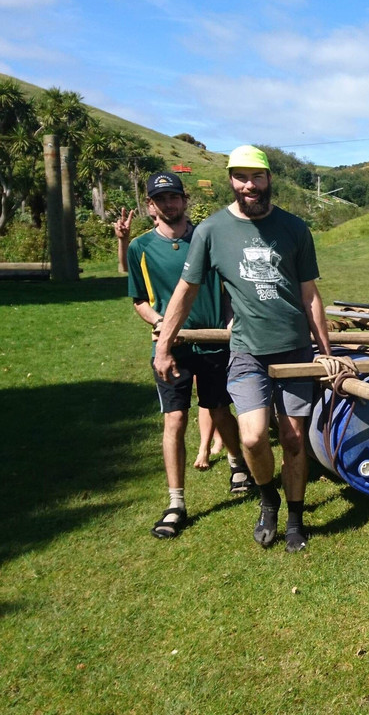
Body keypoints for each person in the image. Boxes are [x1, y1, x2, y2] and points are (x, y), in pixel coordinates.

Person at [154, 145, 333, 553]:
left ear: (269, 179)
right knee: (252, 439)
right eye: (241, 177)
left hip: (294, 351)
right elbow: (186, 291)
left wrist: (325, 350)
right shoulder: (212, 231)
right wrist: (164, 344)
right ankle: (268, 500)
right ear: (231, 180)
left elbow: (310, 295)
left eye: (257, 176)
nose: (249, 185)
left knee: (292, 440)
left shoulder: (294, 229)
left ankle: (294, 518)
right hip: (248, 351)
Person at [116, 172, 249, 540]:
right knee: (174, 420)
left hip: (213, 343)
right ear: (150, 206)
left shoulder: (207, 239)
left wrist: (229, 324)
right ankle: (176, 502)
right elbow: (139, 300)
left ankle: (238, 465)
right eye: (161, 199)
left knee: (220, 409)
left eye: (174, 197)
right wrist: (160, 323)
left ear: (185, 200)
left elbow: (227, 287)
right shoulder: (140, 248)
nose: (169, 204)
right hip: (170, 349)